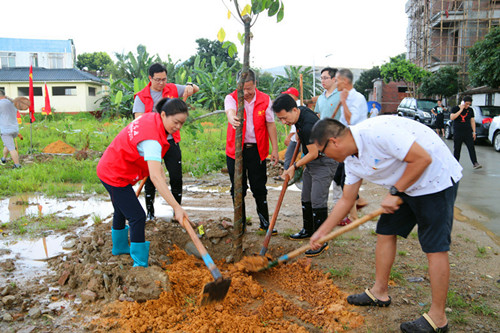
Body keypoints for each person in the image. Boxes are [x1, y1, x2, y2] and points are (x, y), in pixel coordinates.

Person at [309, 116, 462, 333]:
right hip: (406, 184)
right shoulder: (351, 160)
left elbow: (422, 159)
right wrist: (321, 232)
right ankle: (379, 292)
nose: (325, 156)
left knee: (434, 246)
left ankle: (438, 319)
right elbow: (346, 199)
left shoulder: (377, 133)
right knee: (386, 231)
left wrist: (395, 191)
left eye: (323, 151)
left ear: (333, 142)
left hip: (434, 180)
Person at [97, 98, 189, 267]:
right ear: (163, 114)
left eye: (182, 123)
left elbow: (156, 167)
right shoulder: (152, 140)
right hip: (114, 174)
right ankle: (140, 262)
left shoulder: (150, 117)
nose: (178, 127)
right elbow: (155, 177)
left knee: (121, 208)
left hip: (111, 166)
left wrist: (160, 172)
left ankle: (119, 248)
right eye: (176, 122)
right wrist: (176, 207)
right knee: (137, 216)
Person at [273, 94, 338, 256]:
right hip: (311, 161)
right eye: (280, 119)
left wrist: (294, 166)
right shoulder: (301, 113)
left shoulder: (308, 125)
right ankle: (308, 230)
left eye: (284, 118)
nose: (283, 122)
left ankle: (321, 241)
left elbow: (314, 153)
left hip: (325, 160)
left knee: (317, 199)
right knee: (306, 196)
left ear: (294, 110)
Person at [133, 63, 199, 220]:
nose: (161, 83)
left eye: (164, 79)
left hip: (170, 142)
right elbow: (139, 122)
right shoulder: (141, 97)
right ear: (150, 78)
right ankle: (150, 213)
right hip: (152, 144)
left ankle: (177, 213)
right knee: (151, 177)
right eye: (157, 80)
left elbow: (195, 88)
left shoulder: (172, 89)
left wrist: (190, 86)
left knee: (176, 177)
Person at [225, 69, 279, 235]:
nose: (246, 93)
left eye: (249, 88)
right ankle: (239, 224)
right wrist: (232, 117)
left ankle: (264, 223)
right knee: (238, 188)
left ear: (255, 84)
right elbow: (230, 111)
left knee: (259, 187)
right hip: (236, 151)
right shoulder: (232, 97)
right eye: (243, 89)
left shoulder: (265, 99)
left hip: (257, 150)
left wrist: (275, 149)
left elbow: (270, 124)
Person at [335, 68, 368, 224]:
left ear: (345, 81)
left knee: (346, 179)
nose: (336, 83)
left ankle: (353, 216)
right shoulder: (346, 97)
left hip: (355, 144)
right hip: (345, 143)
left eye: (337, 80)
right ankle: (358, 202)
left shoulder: (357, 98)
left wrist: (343, 102)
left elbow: (351, 121)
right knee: (339, 177)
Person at [450, 96, 482, 169]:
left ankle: (475, 163)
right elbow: (452, 117)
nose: (468, 106)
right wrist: (461, 110)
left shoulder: (470, 110)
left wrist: (474, 132)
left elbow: (472, 121)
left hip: (467, 132)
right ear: (463, 102)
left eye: (469, 104)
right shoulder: (455, 109)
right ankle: (455, 163)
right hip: (458, 132)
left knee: (471, 147)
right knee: (457, 148)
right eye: (467, 104)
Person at [281, 87, 301, 177]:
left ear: (293, 96)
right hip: (294, 138)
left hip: (298, 137)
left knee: (291, 155)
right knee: (289, 155)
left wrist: (289, 136)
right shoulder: (293, 105)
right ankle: (286, 174)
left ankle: (288, 175)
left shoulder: (298, 105)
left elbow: (296, 124)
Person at [0, 90, 21, 169]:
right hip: (15, 129)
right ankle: (3, 159)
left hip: (6, 130)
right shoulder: (13, 103)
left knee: (12, 148)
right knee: (8, 144)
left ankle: (17, 165)